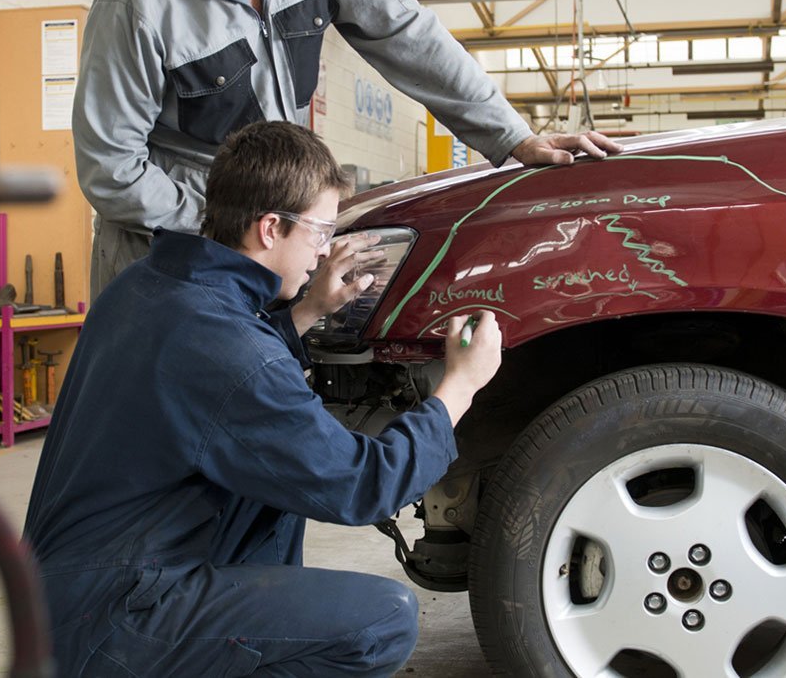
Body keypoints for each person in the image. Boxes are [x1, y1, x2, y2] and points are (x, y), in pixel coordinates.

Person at [25, 120, 505, 676]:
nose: (324, 251)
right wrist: (460, 386)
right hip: (113, 619)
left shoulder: (145, 287)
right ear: (271, 228)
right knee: (381, 620)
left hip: (59, 597)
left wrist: (307, 311)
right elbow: (359, 486)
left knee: (267, 490)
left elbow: (217, 385)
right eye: (321, 233)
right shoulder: (228, 349)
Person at [74, 0, 624, 297]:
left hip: (268, 235)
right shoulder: (135, 2)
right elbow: (111, 169)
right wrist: (228, 229)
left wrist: (511, 135)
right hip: (168, 253)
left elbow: (407, 32)